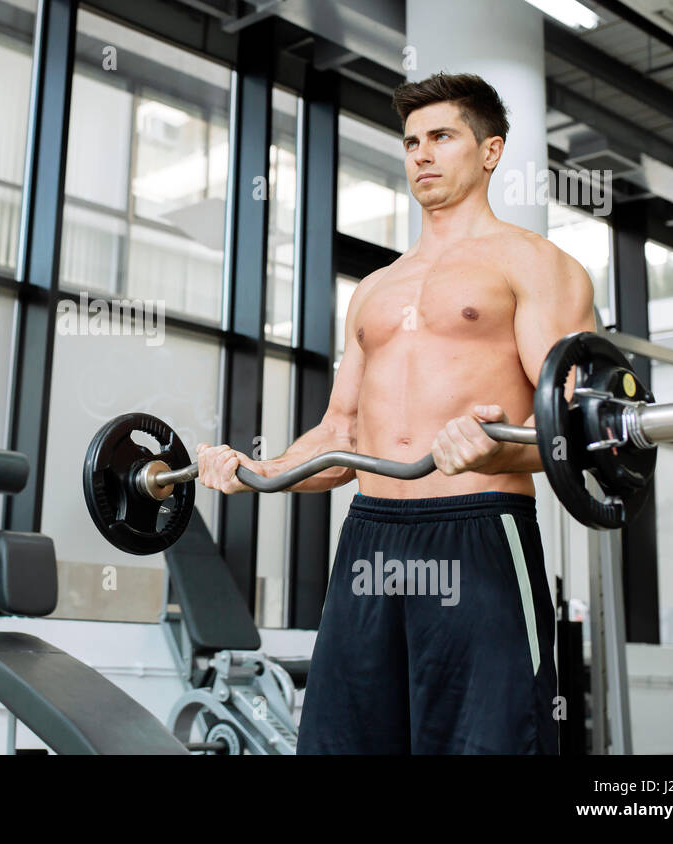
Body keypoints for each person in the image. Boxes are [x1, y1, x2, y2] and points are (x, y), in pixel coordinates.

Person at [196, 72, 594, 754]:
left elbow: (579, 429)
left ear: (491, 150)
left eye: (442, 137)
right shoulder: (375, 291)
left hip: (477, 530)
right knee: (346, 737)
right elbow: (339, 435)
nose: (422, 155)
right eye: (412, 142)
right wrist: (258, 470)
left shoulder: (536, 265)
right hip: (372, 539)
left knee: (491, 740)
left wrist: (498, 450)